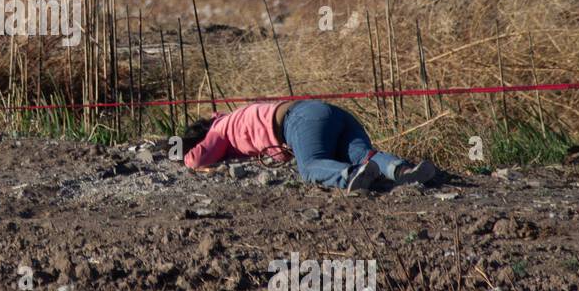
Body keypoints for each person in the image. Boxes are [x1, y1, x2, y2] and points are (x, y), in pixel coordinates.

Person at [181, 98, 437, 192]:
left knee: (310, 166)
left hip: (299, 120)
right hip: (329, 112)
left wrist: (184, 154)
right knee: (362, 153)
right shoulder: (239, 115)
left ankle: (349, 175)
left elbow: (199, 159)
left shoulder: (220, 128)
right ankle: (402, 170)